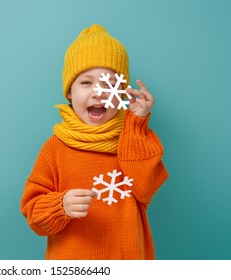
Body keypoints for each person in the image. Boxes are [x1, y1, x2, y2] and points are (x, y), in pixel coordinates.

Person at [20, 24, 169, 260]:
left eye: (109, 84)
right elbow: (34, 216)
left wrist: (136, 125)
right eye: (86, 83)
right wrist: (61, 206)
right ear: (70, 91)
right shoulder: (55, 148)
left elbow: (145, 190)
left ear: (122, 92)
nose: (98, 92)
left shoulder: (135, 140)